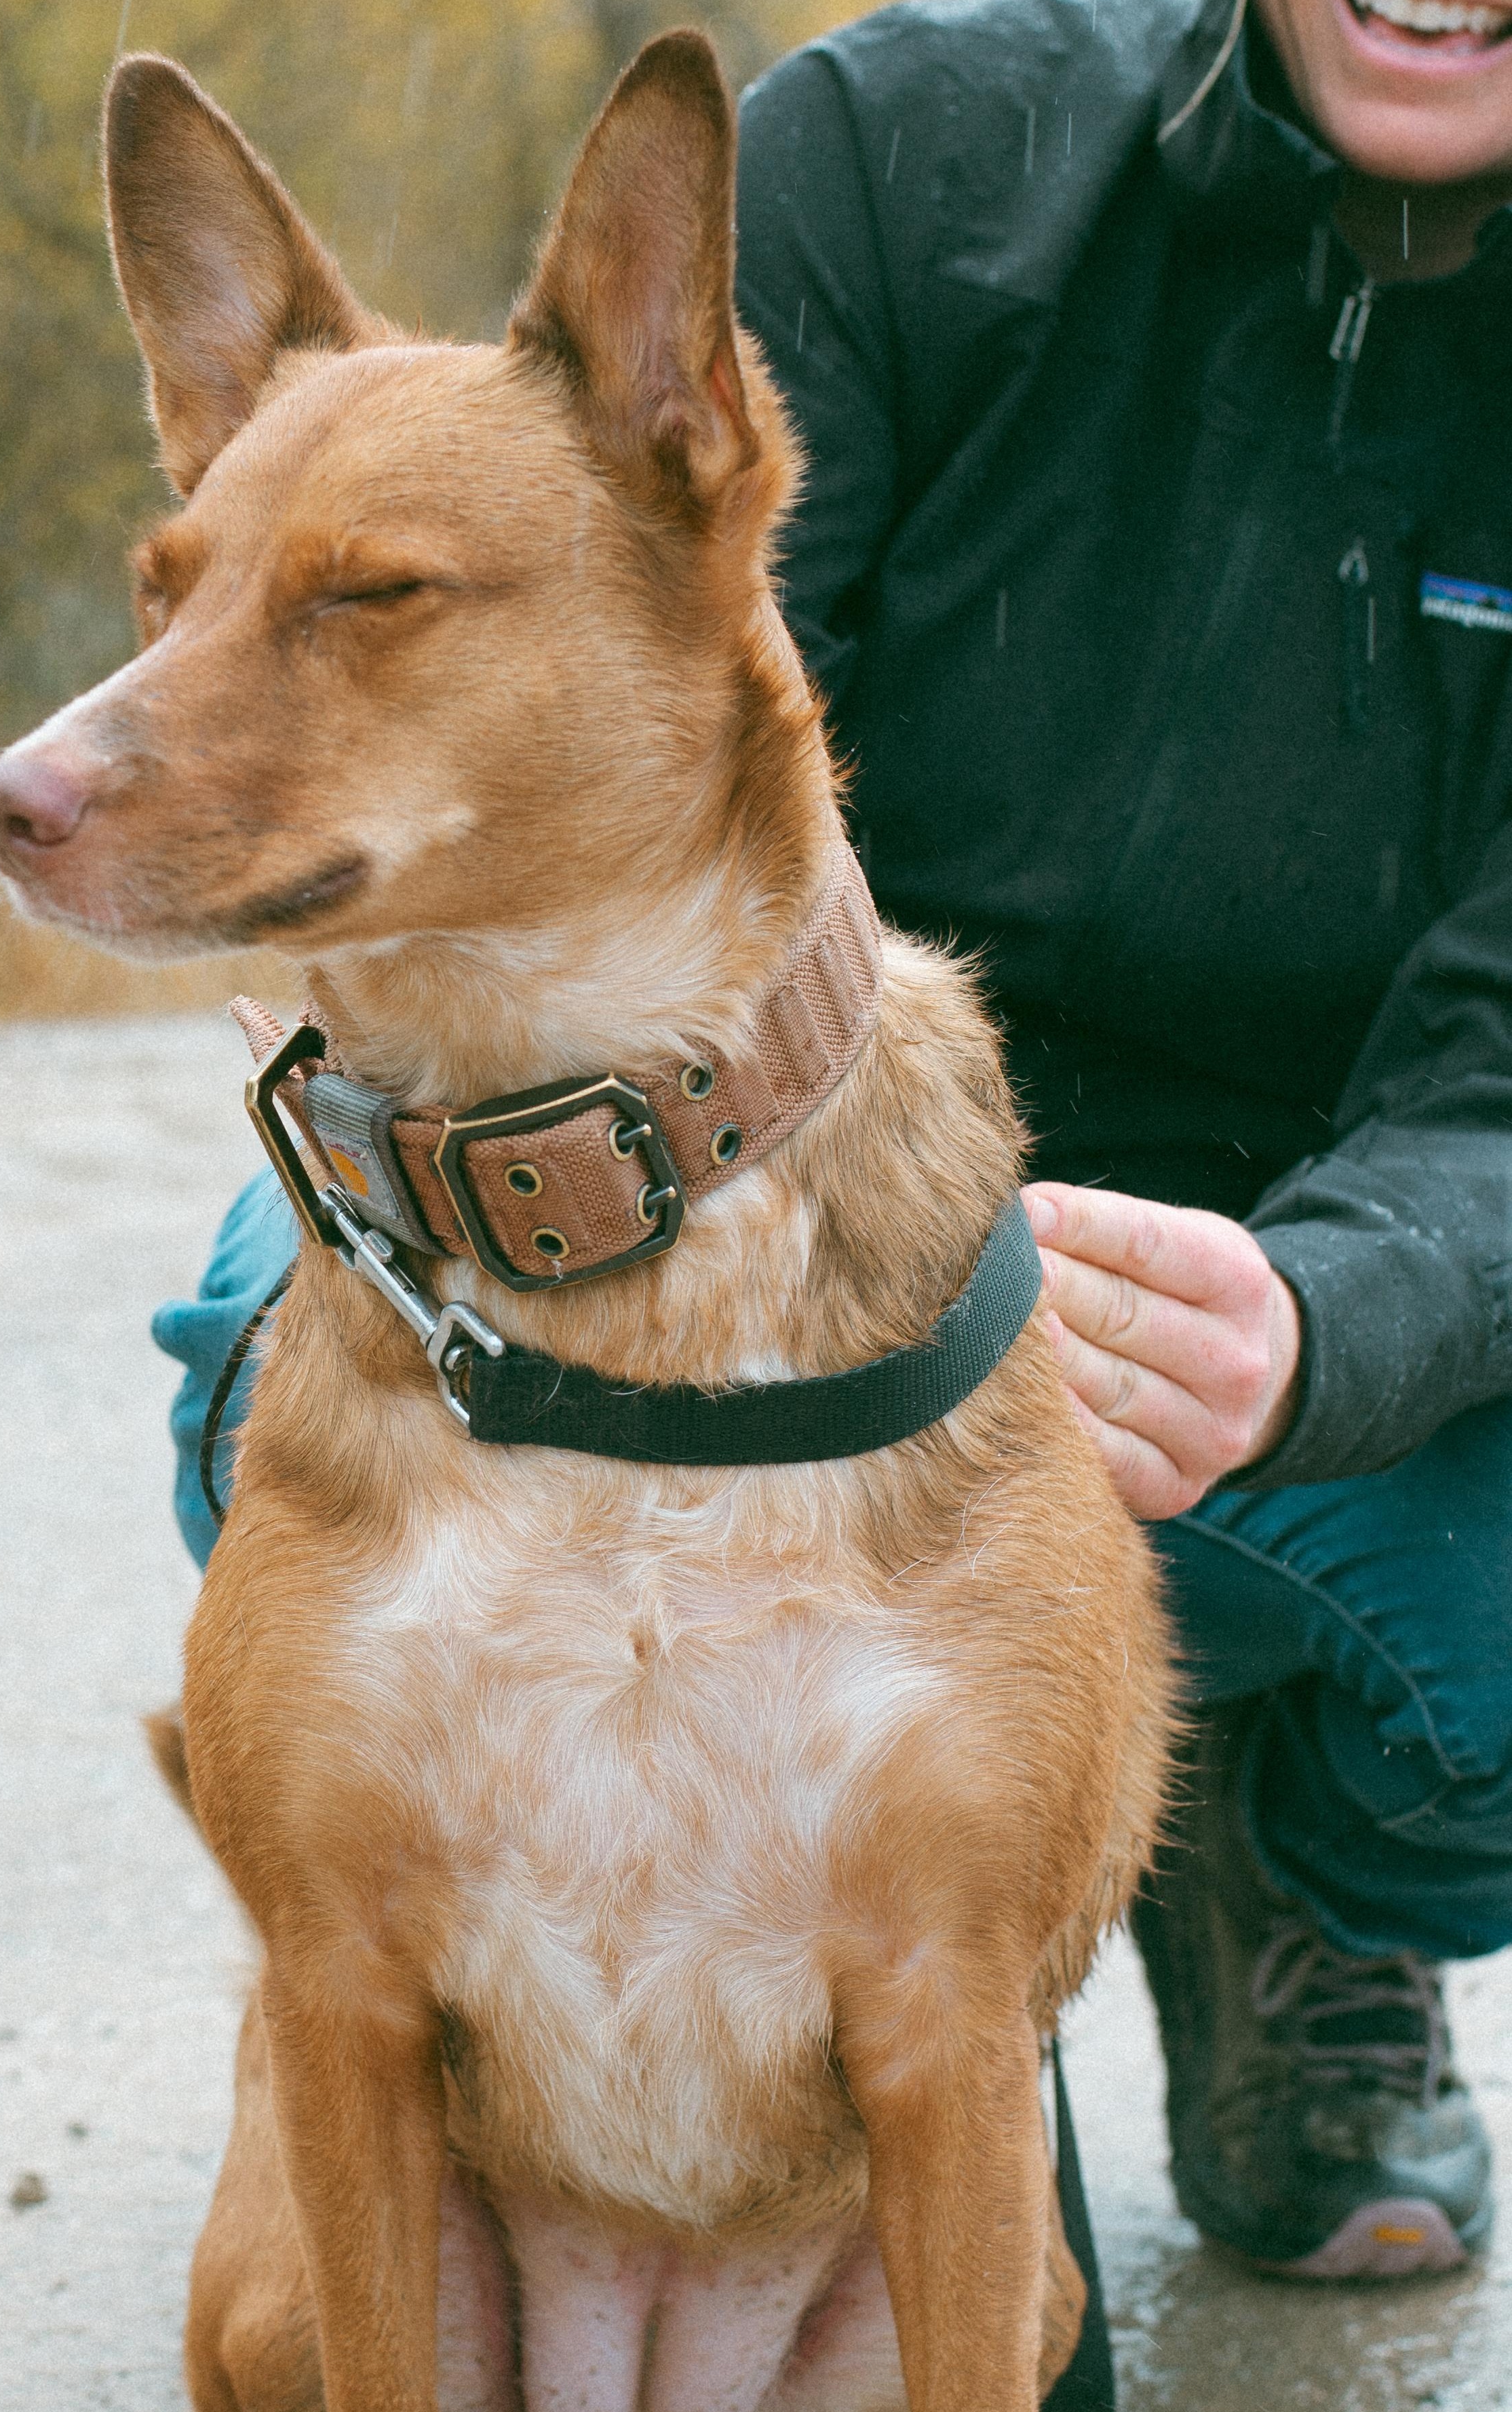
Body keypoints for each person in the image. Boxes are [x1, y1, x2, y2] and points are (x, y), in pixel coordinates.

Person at [155, 0, 1512, 2281]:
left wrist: (1335, 1313)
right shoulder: (906, 154)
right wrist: (767, 1217)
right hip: (790, 1122)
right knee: (254, 1406)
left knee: (1481, 1664)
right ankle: (668, 1985)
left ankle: (1208, 1870)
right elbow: (625, 727)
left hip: (1267, 1259)